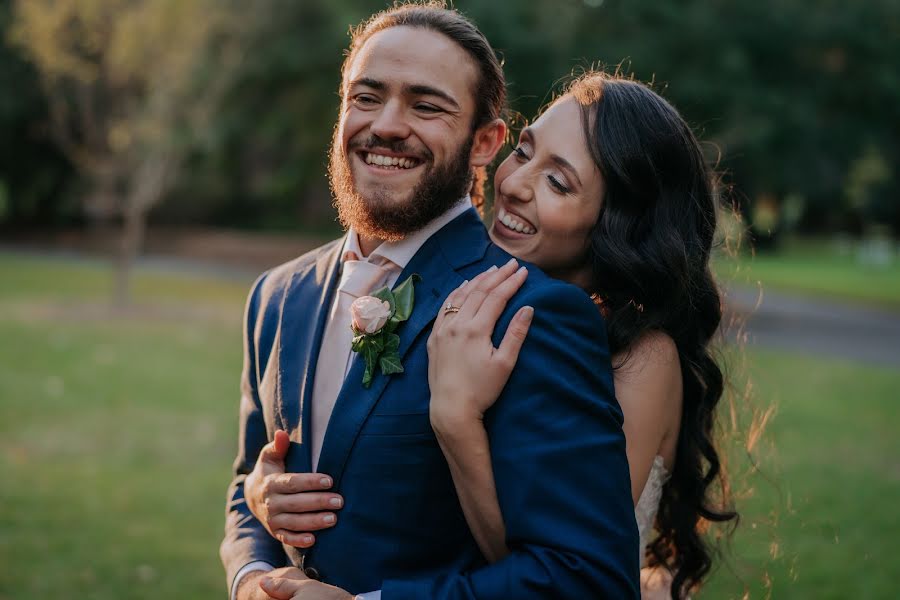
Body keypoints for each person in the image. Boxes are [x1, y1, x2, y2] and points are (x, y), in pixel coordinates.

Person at [220, 3, 639, 600]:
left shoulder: (531, 314)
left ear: (484, 142)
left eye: (426, 105)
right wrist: (251, 579)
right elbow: (246, 483)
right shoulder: (276, 297)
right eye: (366, 97)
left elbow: (588, 579)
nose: (387, 125)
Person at [426, 72, 738, 599]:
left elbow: (566, 572)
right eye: (524, 152)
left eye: (559, 182)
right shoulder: (488, 303)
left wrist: (456, 421)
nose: (514, 184)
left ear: (620, 225)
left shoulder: (643, 359)